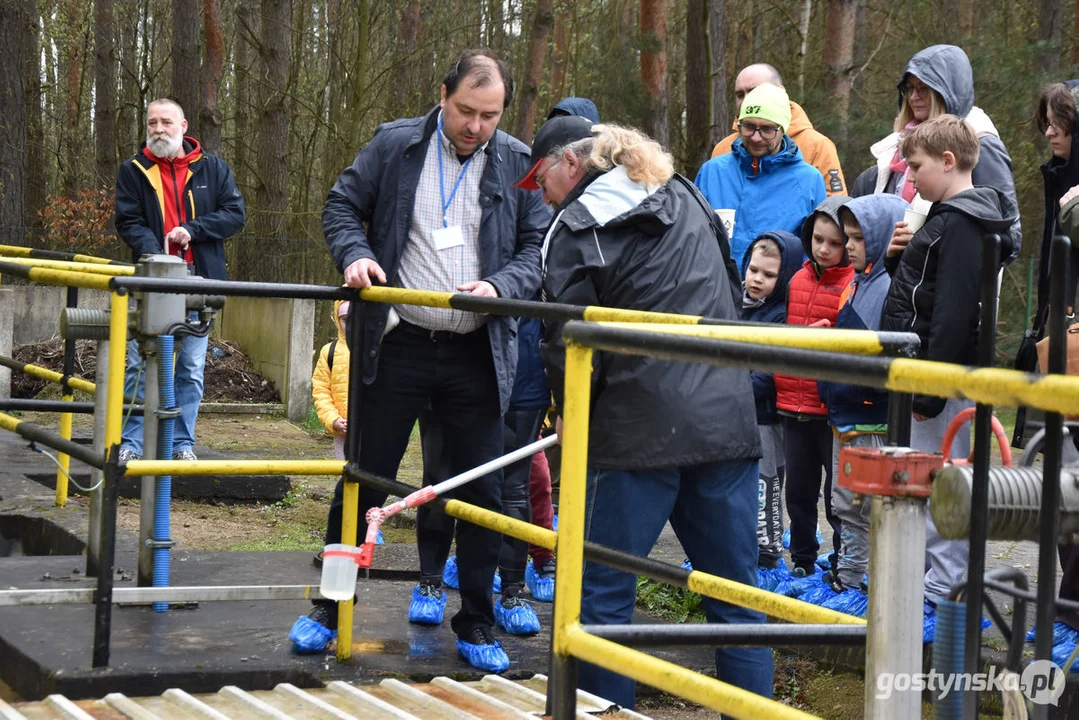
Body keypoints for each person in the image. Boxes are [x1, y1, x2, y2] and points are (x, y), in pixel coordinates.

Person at [292, 49, 549, 673]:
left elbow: (538, 244)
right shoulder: (395, 145)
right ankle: (330, 608)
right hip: (399, 343)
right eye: (466, 110)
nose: (475, 126)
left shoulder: (517, 162)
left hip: (477, 351)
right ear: (442, 95)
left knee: (481, 492)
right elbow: (340, 206)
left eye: (489, 116)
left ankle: (478, 620)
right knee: (364, 476)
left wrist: (504, 285)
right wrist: (354, 254)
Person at [530, 116, 771, 709]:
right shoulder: (684, 191)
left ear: (570, 164)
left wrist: (569, 410)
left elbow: (566, 338)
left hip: (635, 432)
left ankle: (606, 710)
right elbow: (729, 276)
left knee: (604, 596)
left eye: (540, 183)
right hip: (724, 419)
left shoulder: (575, 227)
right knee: (737, 597)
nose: (541, 198)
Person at [879, 115, 1017, 641]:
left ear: (948, 161)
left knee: (941, 479)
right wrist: (898, 262)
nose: (908, 180)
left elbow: (957, 310)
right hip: (930, 367)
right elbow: (927, 292)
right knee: (931, 475)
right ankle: (939, 578)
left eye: (915, 167)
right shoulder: (947, 217)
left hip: (941, 374)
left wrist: (932, 390)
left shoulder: (960, 222)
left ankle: (947, 586)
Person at [114, 98, 246, 463]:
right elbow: (127, 221)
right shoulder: (134, 170)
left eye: (166, 122)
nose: (158, 129)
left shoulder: (213, 169)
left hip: (200, 285)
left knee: (189, 367)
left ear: (183, 126)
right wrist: (157, 254)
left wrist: (192, 230)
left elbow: (235, 215)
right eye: (152, 123)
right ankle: (132, 443)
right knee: (138, 363)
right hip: (151, 282)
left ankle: (180, 443)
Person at [814, 194, 909, 615]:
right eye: (847, 237)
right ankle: (850, 574)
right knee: (842, 500)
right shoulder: (858, 282)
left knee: (865, 501)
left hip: (869, 418)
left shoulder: (887, 285)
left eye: (857, 239)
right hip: (845, 414)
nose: (848, 246)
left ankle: (867, 577)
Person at [860, 45, 1020, 262]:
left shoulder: (982, 143)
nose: (914, 97)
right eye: (910, 88)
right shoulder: (900, 143)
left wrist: (953, 267)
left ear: (948, 91)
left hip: (947, 279)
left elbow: (1008, 235)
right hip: (900, 273)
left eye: (924, 88)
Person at [1025, 82, 1079, 668]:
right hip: (1060, 344)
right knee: (1062, 482)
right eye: (1044, 120)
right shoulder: (1058, 179)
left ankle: (1070, 607)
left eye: (1059, 119)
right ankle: (1068, 606)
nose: (1049, 130)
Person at [774, 196, 853, 581]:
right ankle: (802, 560)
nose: (824, 249)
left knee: (837, 497)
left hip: (832, 410)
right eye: (818, 239)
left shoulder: (853, 283)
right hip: (793, 403)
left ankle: (842, 563)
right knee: (798, 493)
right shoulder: (797, 279)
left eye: (834, 243)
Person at [695, 82, 827, 272]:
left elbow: (814, 255)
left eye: (767, 129)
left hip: (779, 298)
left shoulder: (809, 181)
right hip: (716, 293)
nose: (756, 137)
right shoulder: (712, 172)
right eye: (748, 126)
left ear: (783, 129)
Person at [739, 232, 802, 586]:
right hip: (732, 414)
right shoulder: (737, 304)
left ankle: (768, 553)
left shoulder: (780, 316)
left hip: (764, 417)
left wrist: (732, 387)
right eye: (753, 270)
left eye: (768, 275)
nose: (757, 279)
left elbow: (768, 373)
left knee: (766, 486)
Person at [711, 63, 846, 195]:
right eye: (740, 95)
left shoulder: (817, 147)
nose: (747, 100)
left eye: (754, 91)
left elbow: (833, 209)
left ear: (781, 92)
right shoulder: (723, 149)